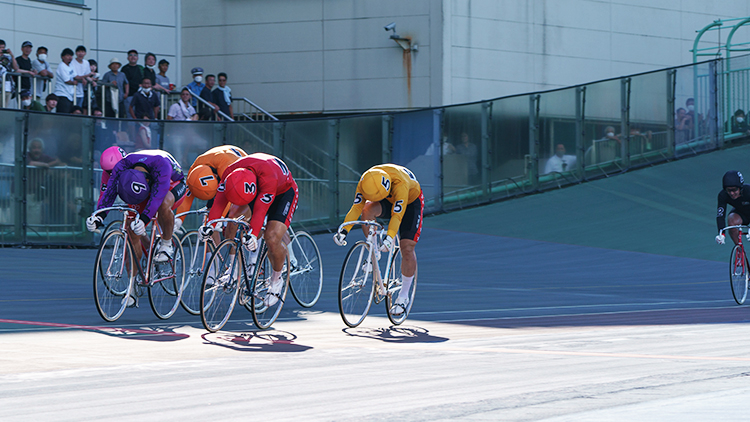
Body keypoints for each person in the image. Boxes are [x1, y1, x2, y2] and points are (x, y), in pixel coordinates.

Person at [86, 149, 187, 306]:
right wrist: (98, 217)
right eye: (109, 172)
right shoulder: (121, 167)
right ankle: (131, 288)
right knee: (132, 231)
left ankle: (166, 244)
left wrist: (144, 219)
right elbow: (107, 194)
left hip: (173, 182)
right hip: (141, 182)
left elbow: (156, 197)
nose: (111, 174)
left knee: (163, 205)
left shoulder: (160, 166)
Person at [203, 153, 298, 307]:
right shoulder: (229, 173)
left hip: (283, 193)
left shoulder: (269, 176)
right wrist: (210, 226)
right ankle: (234, 270)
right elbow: (219, 202)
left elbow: (260, 210)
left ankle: (276, 280)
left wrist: (253, 235)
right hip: (254, 188)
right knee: (233, 220)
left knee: (272, 238)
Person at [333, 164, 423, 316]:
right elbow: (356, 208)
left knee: (406, 247)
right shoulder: (365, 181)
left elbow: (397, 216)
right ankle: (374, 253)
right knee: (367, 210)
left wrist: (389, 237)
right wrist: (344, 230)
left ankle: (403, 296)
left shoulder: (400, 184)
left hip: (409, 202)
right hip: (387, 198)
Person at [175, 145, 248, 241]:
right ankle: (214, 254)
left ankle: (247, 252)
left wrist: (221, 216)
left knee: (232, 219)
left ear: (215, 176)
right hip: (221, 165)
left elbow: (227, 197)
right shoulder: (195, 168)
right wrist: (179, 219)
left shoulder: (226, 168)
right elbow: (188, 195)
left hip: (240, 175)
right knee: (210, 220)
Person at [716, 171, 750, 246]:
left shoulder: (748, 191)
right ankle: (740, 249)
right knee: (731, 221)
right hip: (742, 213)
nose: (731, 193)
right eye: (729, 190)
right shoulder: (723, 195)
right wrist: (721, 233)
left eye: (734, 190)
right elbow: (720, 215)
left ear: (740, 188)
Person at [53, 48, 77, 114]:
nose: (70, 57)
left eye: (71, 56)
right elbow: (66, 80)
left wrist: (85, 77)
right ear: (62, 57)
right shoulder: (61, 66)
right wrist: (73, 82)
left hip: (69, 95)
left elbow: (76, 76)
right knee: (63, 114)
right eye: (68, 55)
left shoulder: (71, 66)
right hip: (61, 94)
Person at [121, 49, 144, 114]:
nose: (133, 57)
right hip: (129, 95)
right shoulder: (125, 68)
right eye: (131, 55)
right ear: (128, 58)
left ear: (137, 58)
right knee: (130, 115)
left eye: (135, 55)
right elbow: (125, 82)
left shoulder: (140, 68)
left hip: (140, 96)